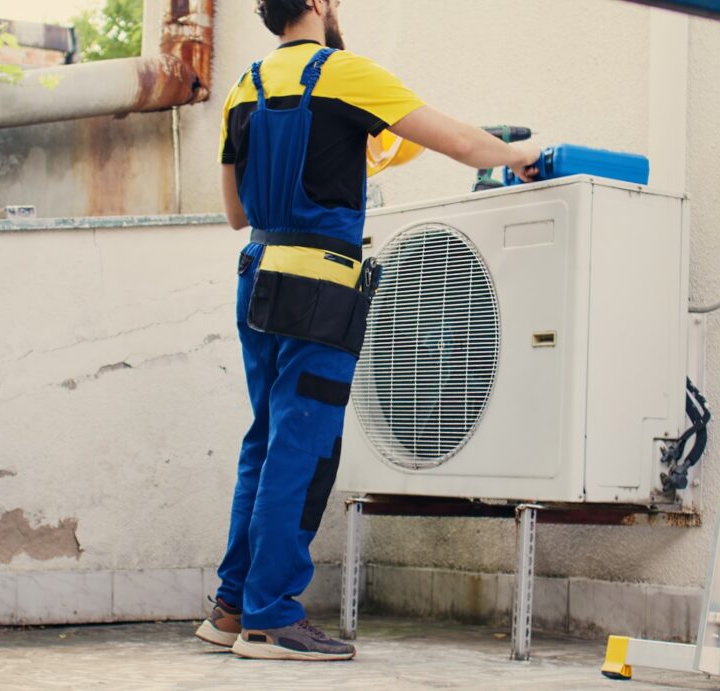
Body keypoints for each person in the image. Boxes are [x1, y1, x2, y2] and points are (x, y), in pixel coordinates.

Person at [195, 0, 541, 662]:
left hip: (258, 276)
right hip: (318, 289)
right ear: (321, 3)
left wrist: (346, 163)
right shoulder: (345, 73)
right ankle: (271, 618)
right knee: (303, 446)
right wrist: (517, 152)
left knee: (264, 440)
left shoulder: (247, 85)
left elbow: (236, 212)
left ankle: (231, 608)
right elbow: (463, 143)